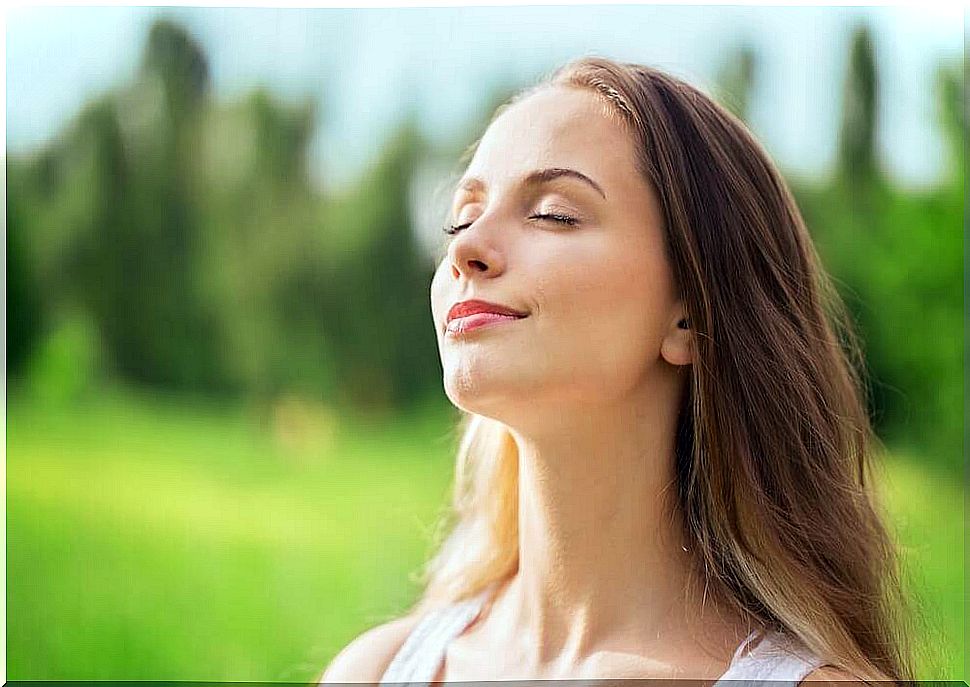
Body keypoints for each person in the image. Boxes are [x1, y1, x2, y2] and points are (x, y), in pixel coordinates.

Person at [320, 55, 915, 685]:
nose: (466, 248)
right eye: (462, 217)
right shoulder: (376, 670)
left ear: (687, 315)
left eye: (553, 213)